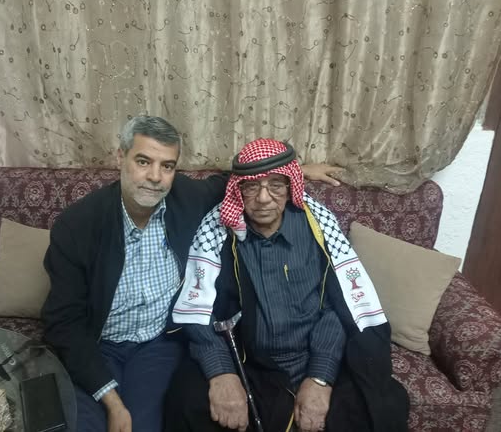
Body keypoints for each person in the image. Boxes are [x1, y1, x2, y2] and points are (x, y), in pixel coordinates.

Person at [42, 116, 343, 432]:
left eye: (167, 166)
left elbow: (243, 181)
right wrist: (112, 403)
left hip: (159, 343)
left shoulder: (187, 197)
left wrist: (297, 170)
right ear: (120, 157)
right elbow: (64, 322)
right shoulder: (77, 225)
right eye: (143, 161)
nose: (155, 177)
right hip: (97, 346)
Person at [166, 139, 409, 432]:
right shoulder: (217, 233)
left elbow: (341, 305)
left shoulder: (317, 228)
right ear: (238, 190)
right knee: (186, 401)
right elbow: (198, 311)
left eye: (275, 185)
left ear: (291, 184)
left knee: (383, 405)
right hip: (247, 361)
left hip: (315, 355)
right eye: (251, 187)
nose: (263, 198)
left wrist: (320, 376)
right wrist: (222, 374)